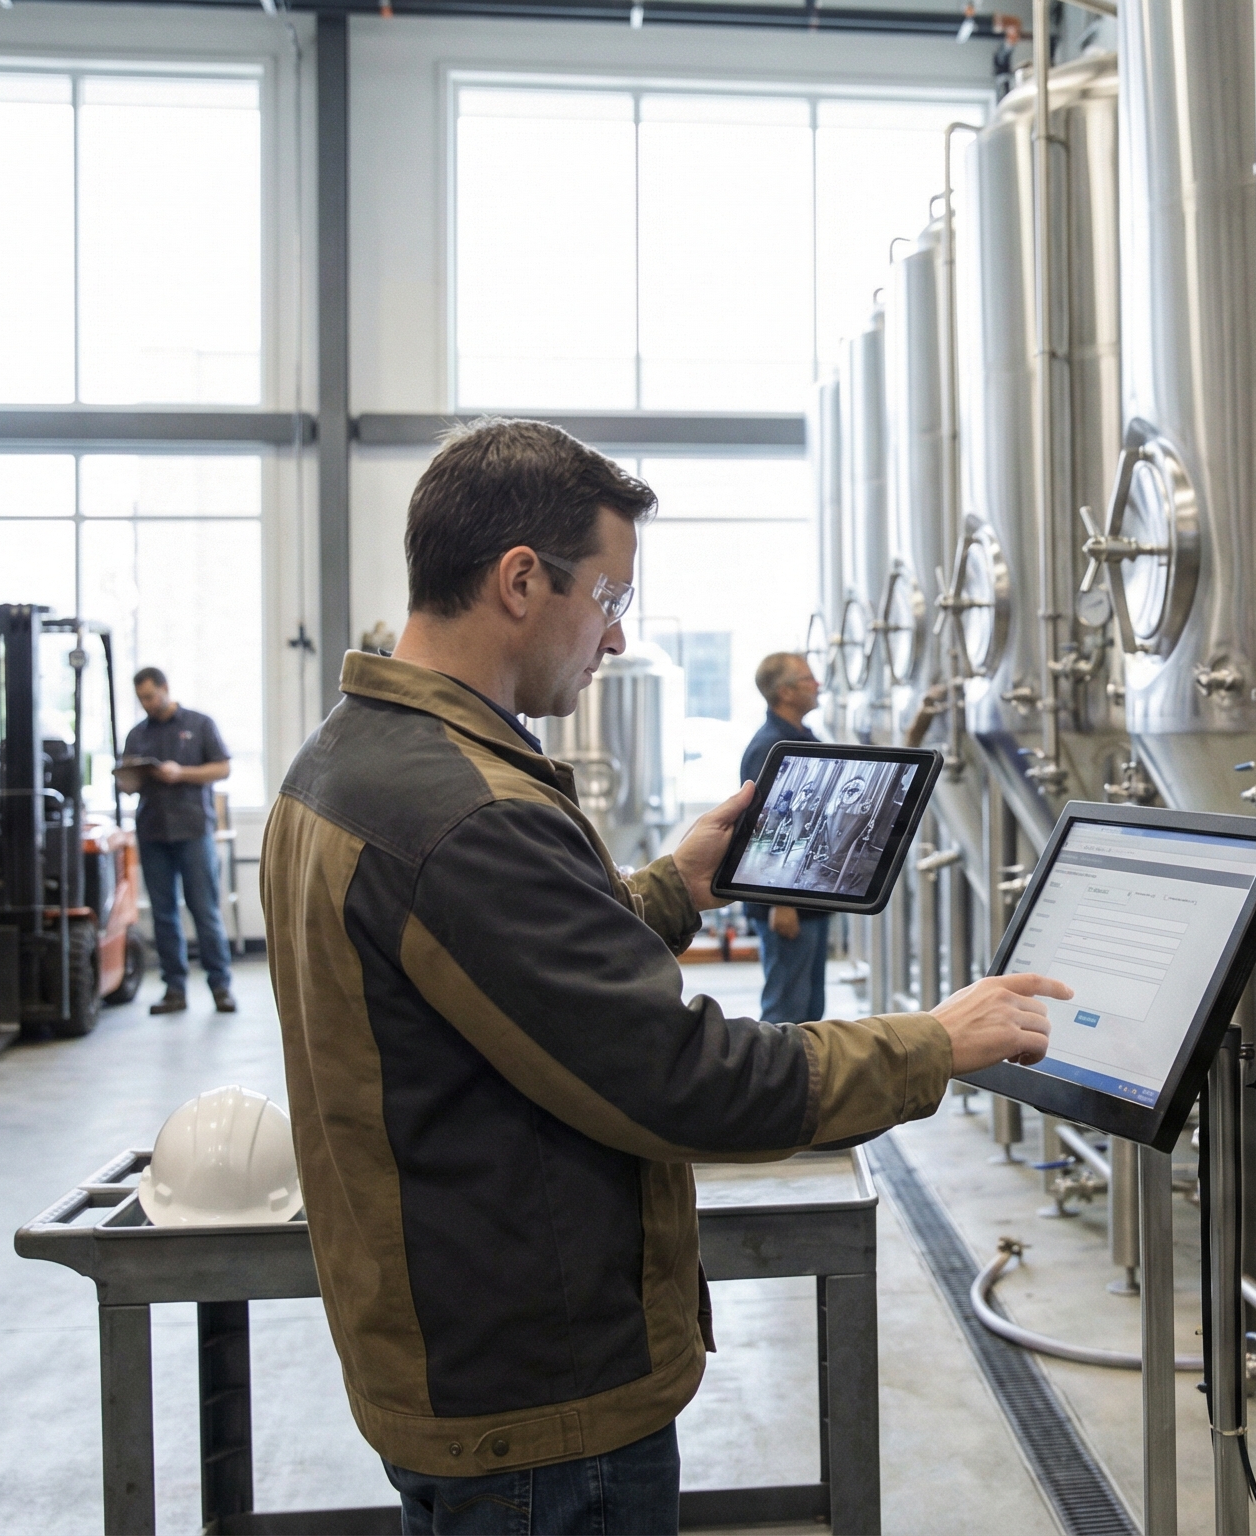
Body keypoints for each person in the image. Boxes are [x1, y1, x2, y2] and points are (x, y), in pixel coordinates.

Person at [261, 418, 1067, 1536]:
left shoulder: (349, 760)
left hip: (455, 1350)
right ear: (520, 580)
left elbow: (499, 984)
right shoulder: (464, 814)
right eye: (609, 598)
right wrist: (933, 1042)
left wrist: (673, 887)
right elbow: (678, 1079)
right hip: (542, 1403)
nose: (616, 641)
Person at [123, 666, 234, 1015]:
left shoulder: (199, 724)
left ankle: (220, 987)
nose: (147, 703)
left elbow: (223, 767)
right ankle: (174, 990)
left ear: (165, 689)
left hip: (193, 830)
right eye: (141, 698)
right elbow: (127, 781)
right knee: (163, 915)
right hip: (153, 831)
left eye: (151, 696)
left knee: (204, 910)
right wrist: (127, 778)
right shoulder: (137, 734)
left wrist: (181, 773)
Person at [740, 652, 828, 1022]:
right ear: (786, 692)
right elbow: (768, 826)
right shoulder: (771, 747)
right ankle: (773, 1081)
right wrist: (781, 901)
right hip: (786, 899)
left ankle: (809, 1080)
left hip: (808, 892)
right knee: (785, 1008)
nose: (817, 685)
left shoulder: (801, 737)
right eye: (809, 679)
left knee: (808, 1007)